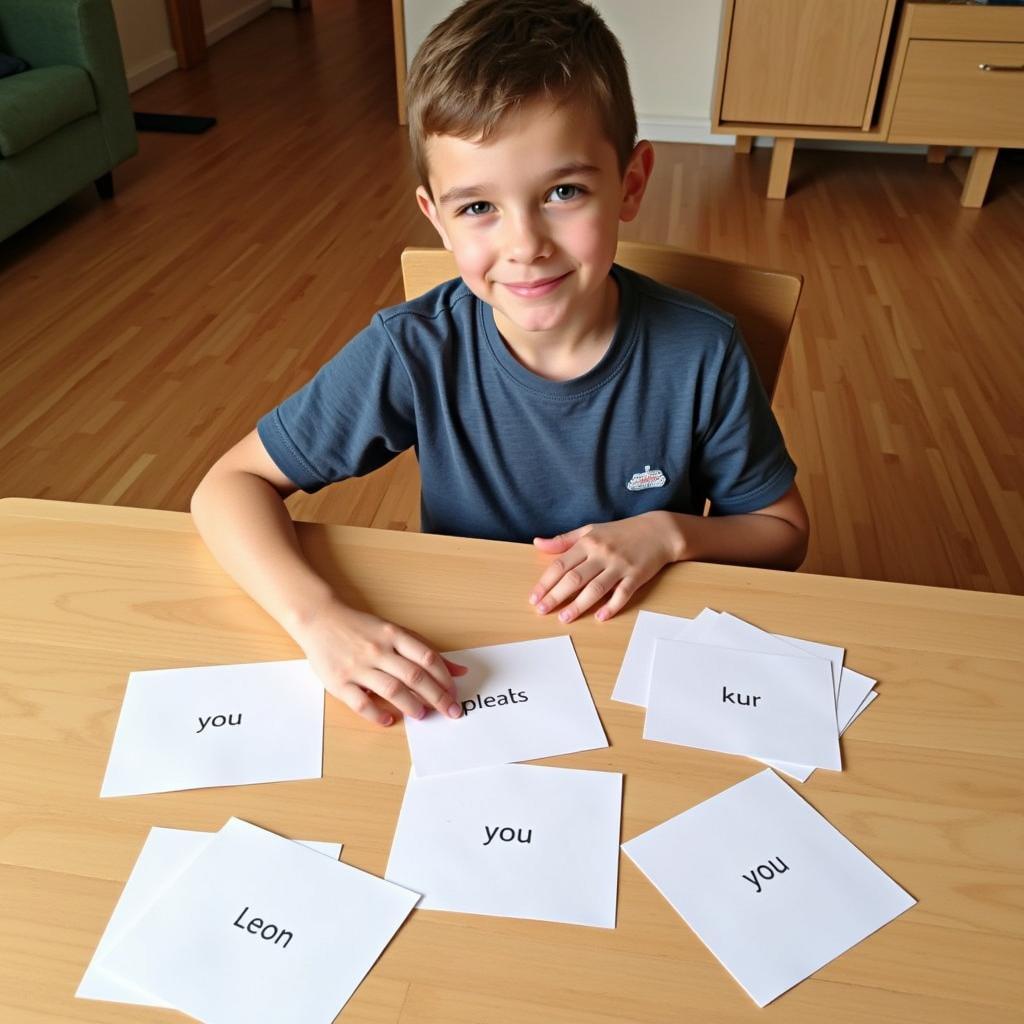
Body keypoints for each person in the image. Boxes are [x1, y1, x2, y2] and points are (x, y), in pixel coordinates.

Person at [190, 0, 809, 730]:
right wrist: (319, 621)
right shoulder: (414, 348)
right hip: (467, 666)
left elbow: (784, 533)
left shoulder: (701, 350)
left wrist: (672, 533)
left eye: (564, 193)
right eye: (479, 206)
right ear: (435, 215)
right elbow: (228, 485)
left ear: (631, 183)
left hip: (637, 661)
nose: (526, 245)